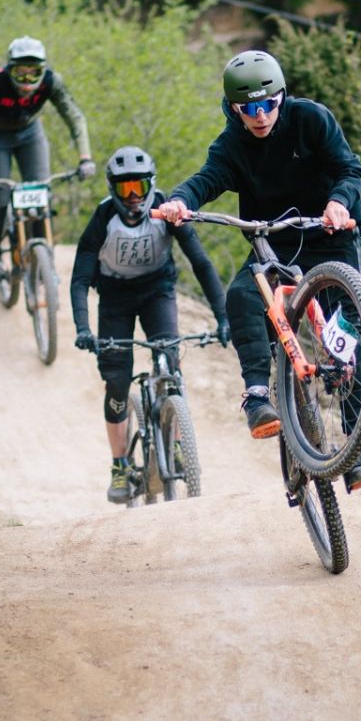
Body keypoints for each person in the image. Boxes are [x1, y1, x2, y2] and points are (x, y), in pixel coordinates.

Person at [155, 49, 361, 493]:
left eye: (268, 105)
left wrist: (338, 201)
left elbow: (350, 169)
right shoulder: (231, 145)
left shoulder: (311, 119)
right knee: (242, 294)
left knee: (351, 333)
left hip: (331, 231)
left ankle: (358, 455)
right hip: (274, 240)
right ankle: (258, 394)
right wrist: (181, 201)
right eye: (248, 109)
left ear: (281, 97)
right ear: (234, 109)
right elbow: (207, 178)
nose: (260, 117)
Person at [70, 146, 230, 504]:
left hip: (157, 291)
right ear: (113, 189)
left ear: (151, 185)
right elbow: (80, 278)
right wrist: (84, 328)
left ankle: (175, 446)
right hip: (114, 298)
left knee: (169, 363)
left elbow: (201, 263)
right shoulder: (102, 219)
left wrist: (223, 317)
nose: (133, 197)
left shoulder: (166, 211)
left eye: (139, 187)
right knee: (116, 382)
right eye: (125, 189)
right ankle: (120, 465)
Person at [0, 36, 96, 283]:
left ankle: (44, 261)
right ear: (9, 69)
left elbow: (75, 117)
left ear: (44, 71)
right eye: (21, 73)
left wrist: (85, 158)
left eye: (35, 73)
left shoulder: (52, 82)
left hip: (30, 134)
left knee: (41, 194)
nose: (27, 81)